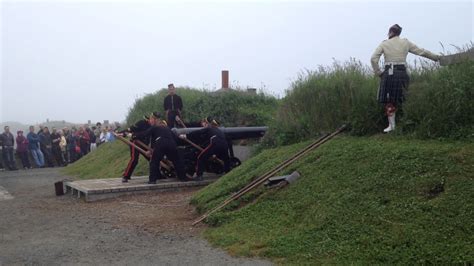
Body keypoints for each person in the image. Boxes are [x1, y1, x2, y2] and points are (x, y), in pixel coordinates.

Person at [371, 24, 441, 133]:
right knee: (404, 98)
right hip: (403, 73)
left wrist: (379, 72)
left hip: (390, 74)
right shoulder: (406, 42)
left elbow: (373, 59)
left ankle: (392, 126)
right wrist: (437, 58)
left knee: (390, 101)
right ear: (399, 33)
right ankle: (408, 123)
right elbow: (422, 51)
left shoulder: (384, 44)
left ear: (390, 32)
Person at [134, 114, 188, 184]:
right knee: (177, 161)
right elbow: (175, 138)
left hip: (161, 143)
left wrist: (134, 135)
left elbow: (145, 134)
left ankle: (152, 180)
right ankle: (183, 178)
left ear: (155, 120)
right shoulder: (167, 128)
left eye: (151, 119)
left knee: (154, 161)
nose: (150, 121)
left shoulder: (154, 127)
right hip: (171, 144)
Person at [119, 114, 154, 183]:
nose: (151, 121)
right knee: (134, 159)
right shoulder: (141, 123)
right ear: (148, 119)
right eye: (150, 120)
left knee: (152, 158)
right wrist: (121, 133)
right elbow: (130, 129)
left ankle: (157, 174)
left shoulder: (152, 126)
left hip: (144, 144)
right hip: (135, 142)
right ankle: (126, 176)